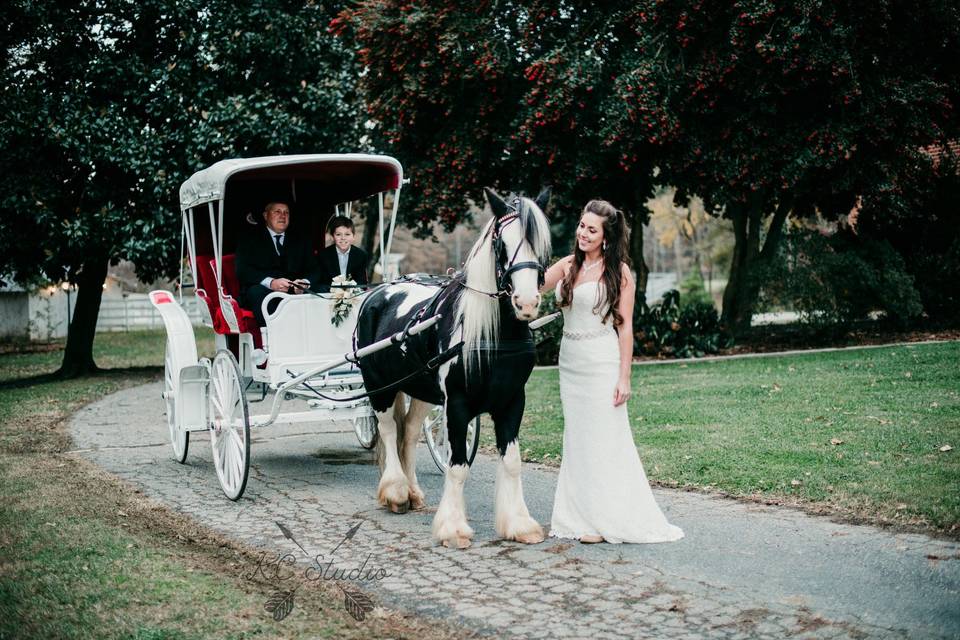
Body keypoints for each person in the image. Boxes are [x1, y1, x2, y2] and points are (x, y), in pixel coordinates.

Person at [541, 199, 684, 544]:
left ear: (606, 235)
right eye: (581, 226)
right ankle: (579, 517)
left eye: (592, 229)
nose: (583, 233)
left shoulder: (619, 272)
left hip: (601, 361)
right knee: (577, 438)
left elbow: (625, 328)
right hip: (571, 362)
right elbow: (532, 286)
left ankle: (608, 518)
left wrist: (624, 377)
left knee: (605, 439)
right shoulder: (567, 265)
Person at [235, 201, 322, 326]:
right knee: (256, 293)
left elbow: (315, 269)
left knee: (322, 289)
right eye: (277, 212)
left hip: (296, 290)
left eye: (286, 212)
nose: (283, 216)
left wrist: (304, 283)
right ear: (266, 216)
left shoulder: (301, 239)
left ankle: (317, 333)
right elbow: (242, 270)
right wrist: (271, 283)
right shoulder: (249, 239)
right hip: (264, 290)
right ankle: (273, 337)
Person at [317, 216, 370, 289]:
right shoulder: (323, 255)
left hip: (353, 296)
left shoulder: (361, 255)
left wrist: (351, 289)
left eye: (347, 234)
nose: (343, 238)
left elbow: (362, 282)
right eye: (338, 234)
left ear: (353, 236)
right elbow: (319, 282)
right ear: (333, 237)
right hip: (328, 295)